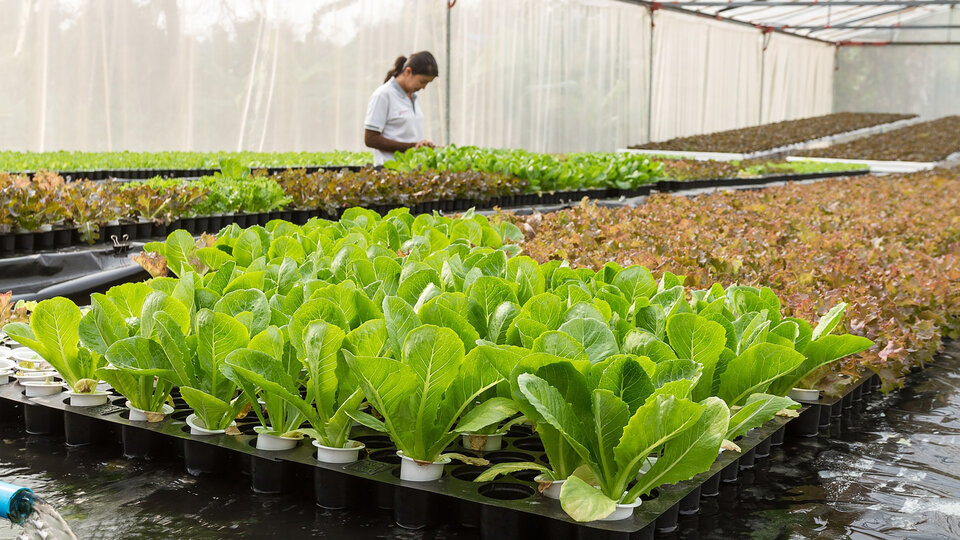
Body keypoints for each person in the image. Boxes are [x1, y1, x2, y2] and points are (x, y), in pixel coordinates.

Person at [364, 51, 439, 166]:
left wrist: (423, 146)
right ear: (408, 72)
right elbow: (370, 139)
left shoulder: (413, 97)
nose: (424, 87)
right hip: (388, 171)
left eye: (428, 83)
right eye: (423, 81)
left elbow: (407, 135)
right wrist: (412, 147)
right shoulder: (383, 95)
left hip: (409, 170)